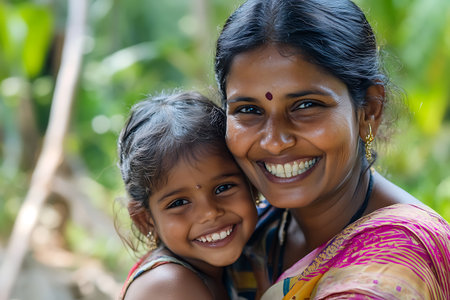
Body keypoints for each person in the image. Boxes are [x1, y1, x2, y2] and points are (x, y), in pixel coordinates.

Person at [214, 0, 450, 299]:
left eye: (306, 105)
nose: (274, 140)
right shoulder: (251, 232)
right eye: (248, 109)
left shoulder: (395, 260)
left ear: (370, 110)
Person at [117, 91, 258, 300]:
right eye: (179, 202)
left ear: (252, 184)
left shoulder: (238, 266)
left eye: (223, 188)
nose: (210, 213)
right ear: (145, 220)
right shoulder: (168, 285)